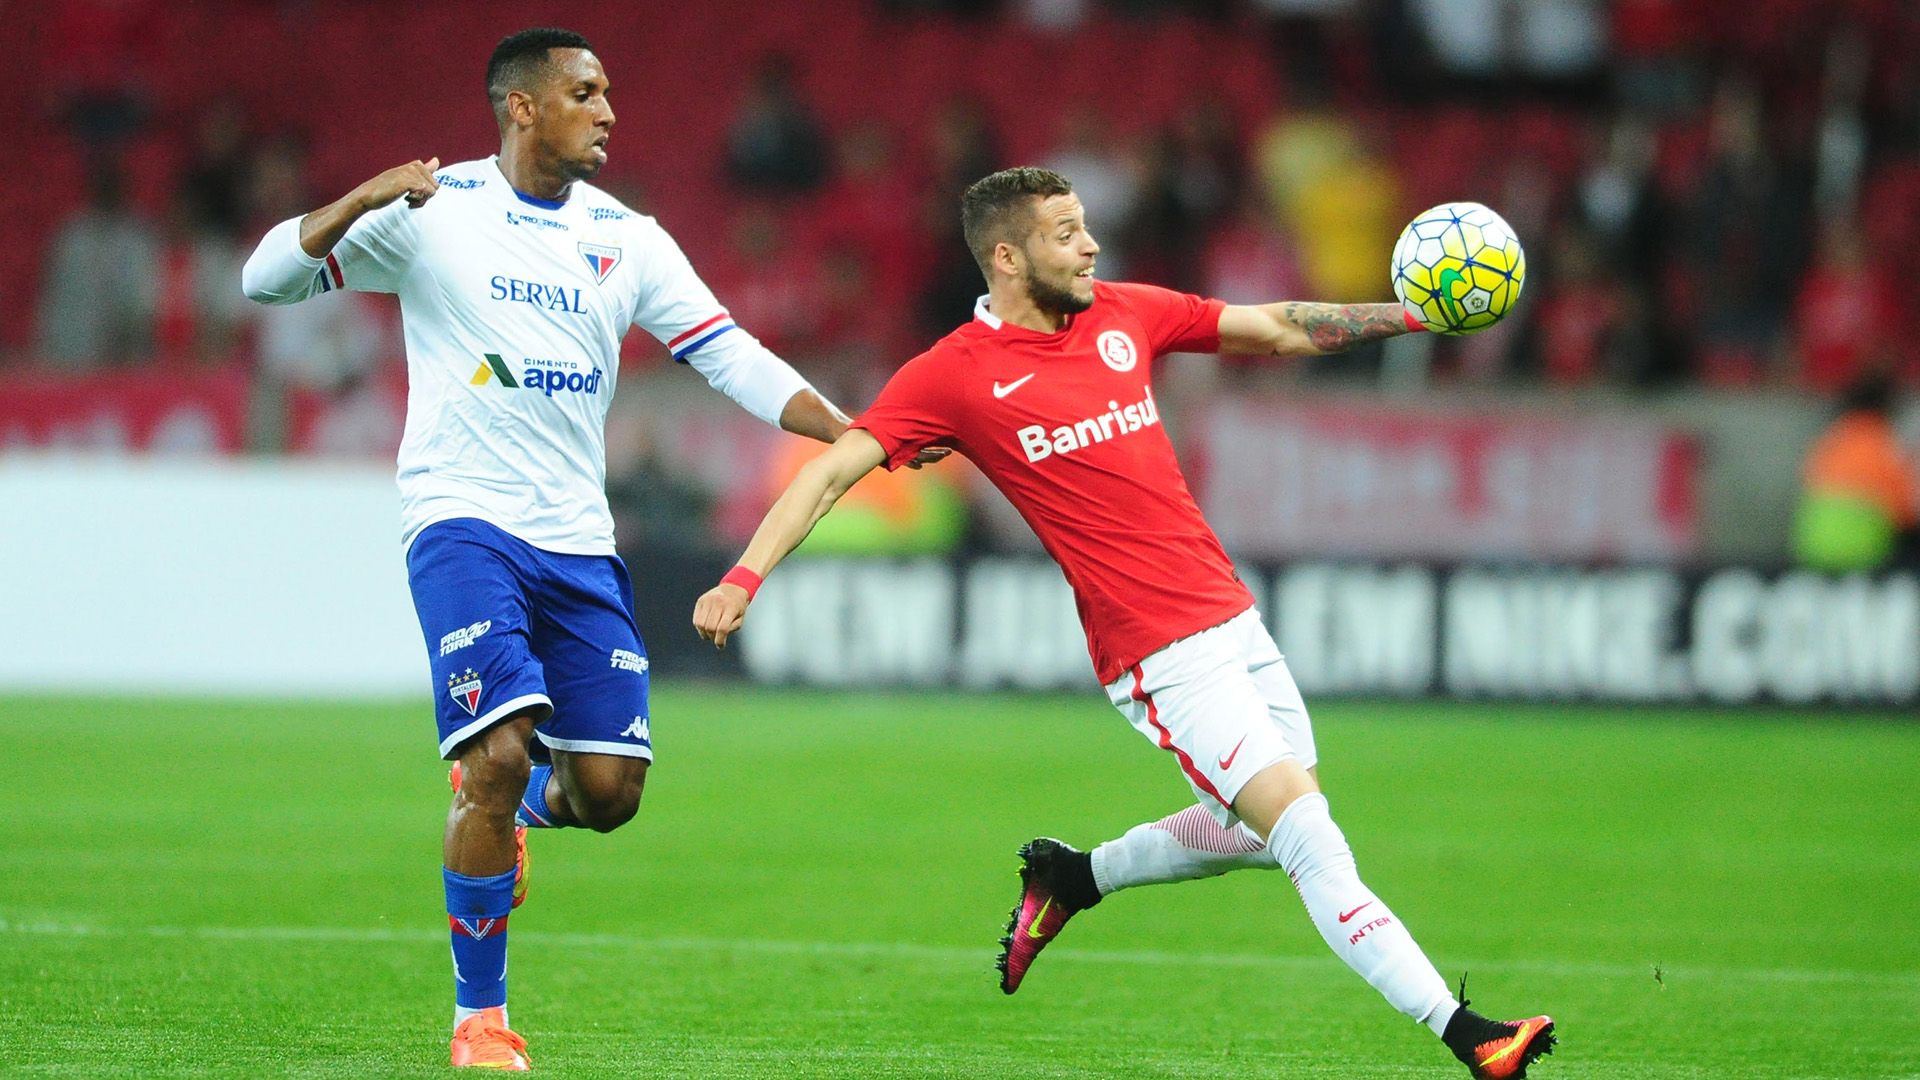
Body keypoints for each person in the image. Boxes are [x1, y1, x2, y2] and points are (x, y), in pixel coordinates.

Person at [692, 167, 1555, 1079]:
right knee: (1308, 835)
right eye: (1066, 232)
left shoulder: (1123, 314)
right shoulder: (950, 374)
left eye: (1085, 226)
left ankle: (1075, 877)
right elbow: (832, 471)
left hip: (1230, 616)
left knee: (1269, 829)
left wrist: (1412, 317)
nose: (1090, 245)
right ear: (1007, 255)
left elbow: (1275, 327)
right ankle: (1471, 1037)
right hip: (1157, 653)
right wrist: (745, 575)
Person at [240, 27, 931, 1070]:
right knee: (497, 750)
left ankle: (511, 804)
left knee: (608, 794)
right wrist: (359, 200)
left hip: (577, 540)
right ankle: (481, 1018)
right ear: (521, 107)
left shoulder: (629, 238)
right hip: (462, 519)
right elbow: (264, 281)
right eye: (584, 92)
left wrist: (848, 431)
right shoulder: (432, 215)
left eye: (607, 92)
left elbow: (726, 352)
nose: (607, 110)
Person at [1794, 371, 1918, 572]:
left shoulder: (1832, 439)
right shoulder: (1883, 444)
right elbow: (1908, 512)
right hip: (1863, 553)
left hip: (1811, 548)